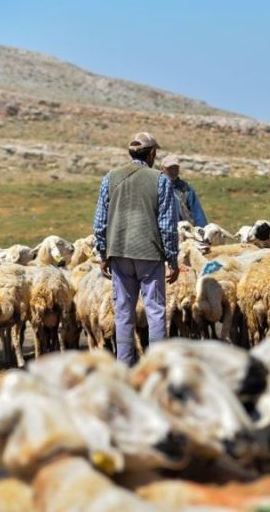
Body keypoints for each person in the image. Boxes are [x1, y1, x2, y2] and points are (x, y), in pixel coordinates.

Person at [93, 132, 179, 365]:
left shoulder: (110, 178)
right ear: (151, 153)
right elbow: (168, 226)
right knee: (155, 311)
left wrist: (103, 254)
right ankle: (157, 367)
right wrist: (172, 260)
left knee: (122, 312)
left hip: (119, 253)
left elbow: (100, 222)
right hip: (149, 254)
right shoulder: (161, 180)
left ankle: (124, 365)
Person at [160, 155, 208, 227]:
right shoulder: (158, 186)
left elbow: (197, 213)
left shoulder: (186, 189)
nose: (173, 171)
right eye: (170, 168)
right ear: (163, 169)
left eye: (175, 168)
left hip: (184, 230)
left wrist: (203, 230)